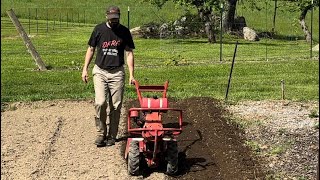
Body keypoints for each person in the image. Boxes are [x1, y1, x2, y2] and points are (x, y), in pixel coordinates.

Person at [81, 5, 135, 147]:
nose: (114, 21)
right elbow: (91, 49)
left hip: (117, 72)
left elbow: (129, 53)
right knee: (100, 102)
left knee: (115, 106)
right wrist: (85, 69)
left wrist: (131, 74)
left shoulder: (124, 32)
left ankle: (112, 135)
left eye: (116, 19)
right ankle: (101, 133)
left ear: (119, 17)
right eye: (111, 19)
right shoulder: (99, 30)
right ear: (107, 17)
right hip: (100, 71)